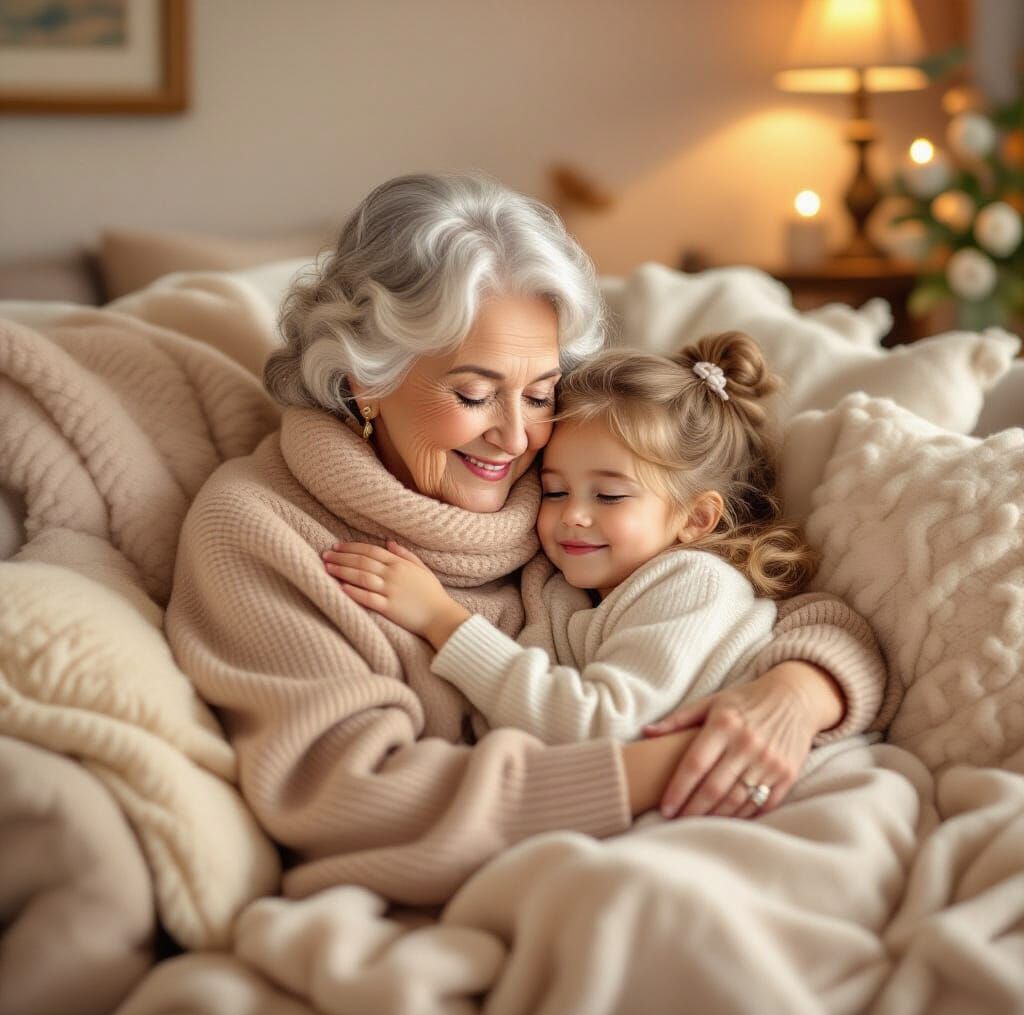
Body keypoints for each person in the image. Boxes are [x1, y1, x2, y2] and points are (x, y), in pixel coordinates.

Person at [166, 171, 887, 906]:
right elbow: (351, 802)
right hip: (615, 841)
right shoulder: (258, 529)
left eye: (539, 394)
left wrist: (796, 697)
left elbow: (773, 608)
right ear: (363, 383)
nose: (514, 438)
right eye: (474, 395)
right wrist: (694, 762)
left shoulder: (567, 481)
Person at [321, 331, 847, 816]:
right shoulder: (565, 590)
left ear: (696, 518)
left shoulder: (694, 582)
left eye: (610, 495)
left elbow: (598, 726)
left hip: (785, 791)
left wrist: (442, 620)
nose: (572, 514)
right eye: (554, 490)